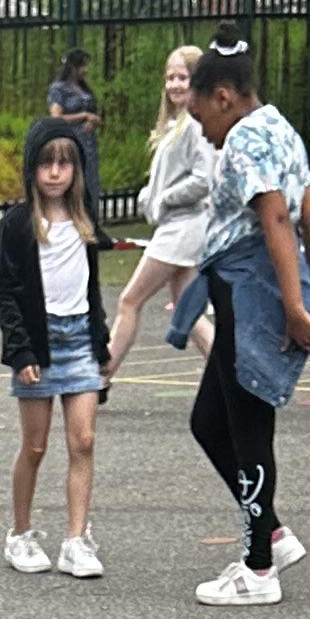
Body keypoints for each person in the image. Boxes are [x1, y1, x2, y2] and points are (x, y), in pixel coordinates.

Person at [182, 43, 310, 606]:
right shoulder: (279, 127)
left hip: (250, 291)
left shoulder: (244, 139)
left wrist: (294, 309)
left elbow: (276, 218)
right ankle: (271, 532)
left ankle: (258, 570)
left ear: (223, 97)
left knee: (247, 426)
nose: (203, 131)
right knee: (208, 421)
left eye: (200, 115)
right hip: (256, 289)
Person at [0, 119, 110, 582]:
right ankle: (20, 534)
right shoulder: (18, 225)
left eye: (64, 163)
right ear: (32, 168)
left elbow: (93, 289)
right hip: (39, 344)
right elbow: (6, 296)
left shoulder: (85, 222)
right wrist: (21, 352)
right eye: (46, 163)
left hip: (80, 338)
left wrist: (101, 343)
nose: (55, 173)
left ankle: (76, 540)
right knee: (36, 445)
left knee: (83, 441)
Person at [105, 47, 216, 380]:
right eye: (170, 78)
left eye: (183, 77)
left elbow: (204, 178)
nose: (174, 85)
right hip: (177, 225)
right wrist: (149, 196)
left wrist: (165, 199)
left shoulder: (195, 125)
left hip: (183, 228)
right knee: (187, 308)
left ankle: (101, 376)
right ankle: (227, 376)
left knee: (130, 300)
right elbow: (167, 177)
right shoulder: (175, 124)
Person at [46, 44, 103, 217]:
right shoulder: (59, 89)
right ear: (72, 67)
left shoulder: (84, 89)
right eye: (82, 66)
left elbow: (94, 115)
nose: (85, 70)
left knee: (90, 183)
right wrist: (83, 115)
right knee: (73, 183)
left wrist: (93, 120)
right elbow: (56, 117)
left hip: (89, 144)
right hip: (71, 142)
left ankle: (91, 220)